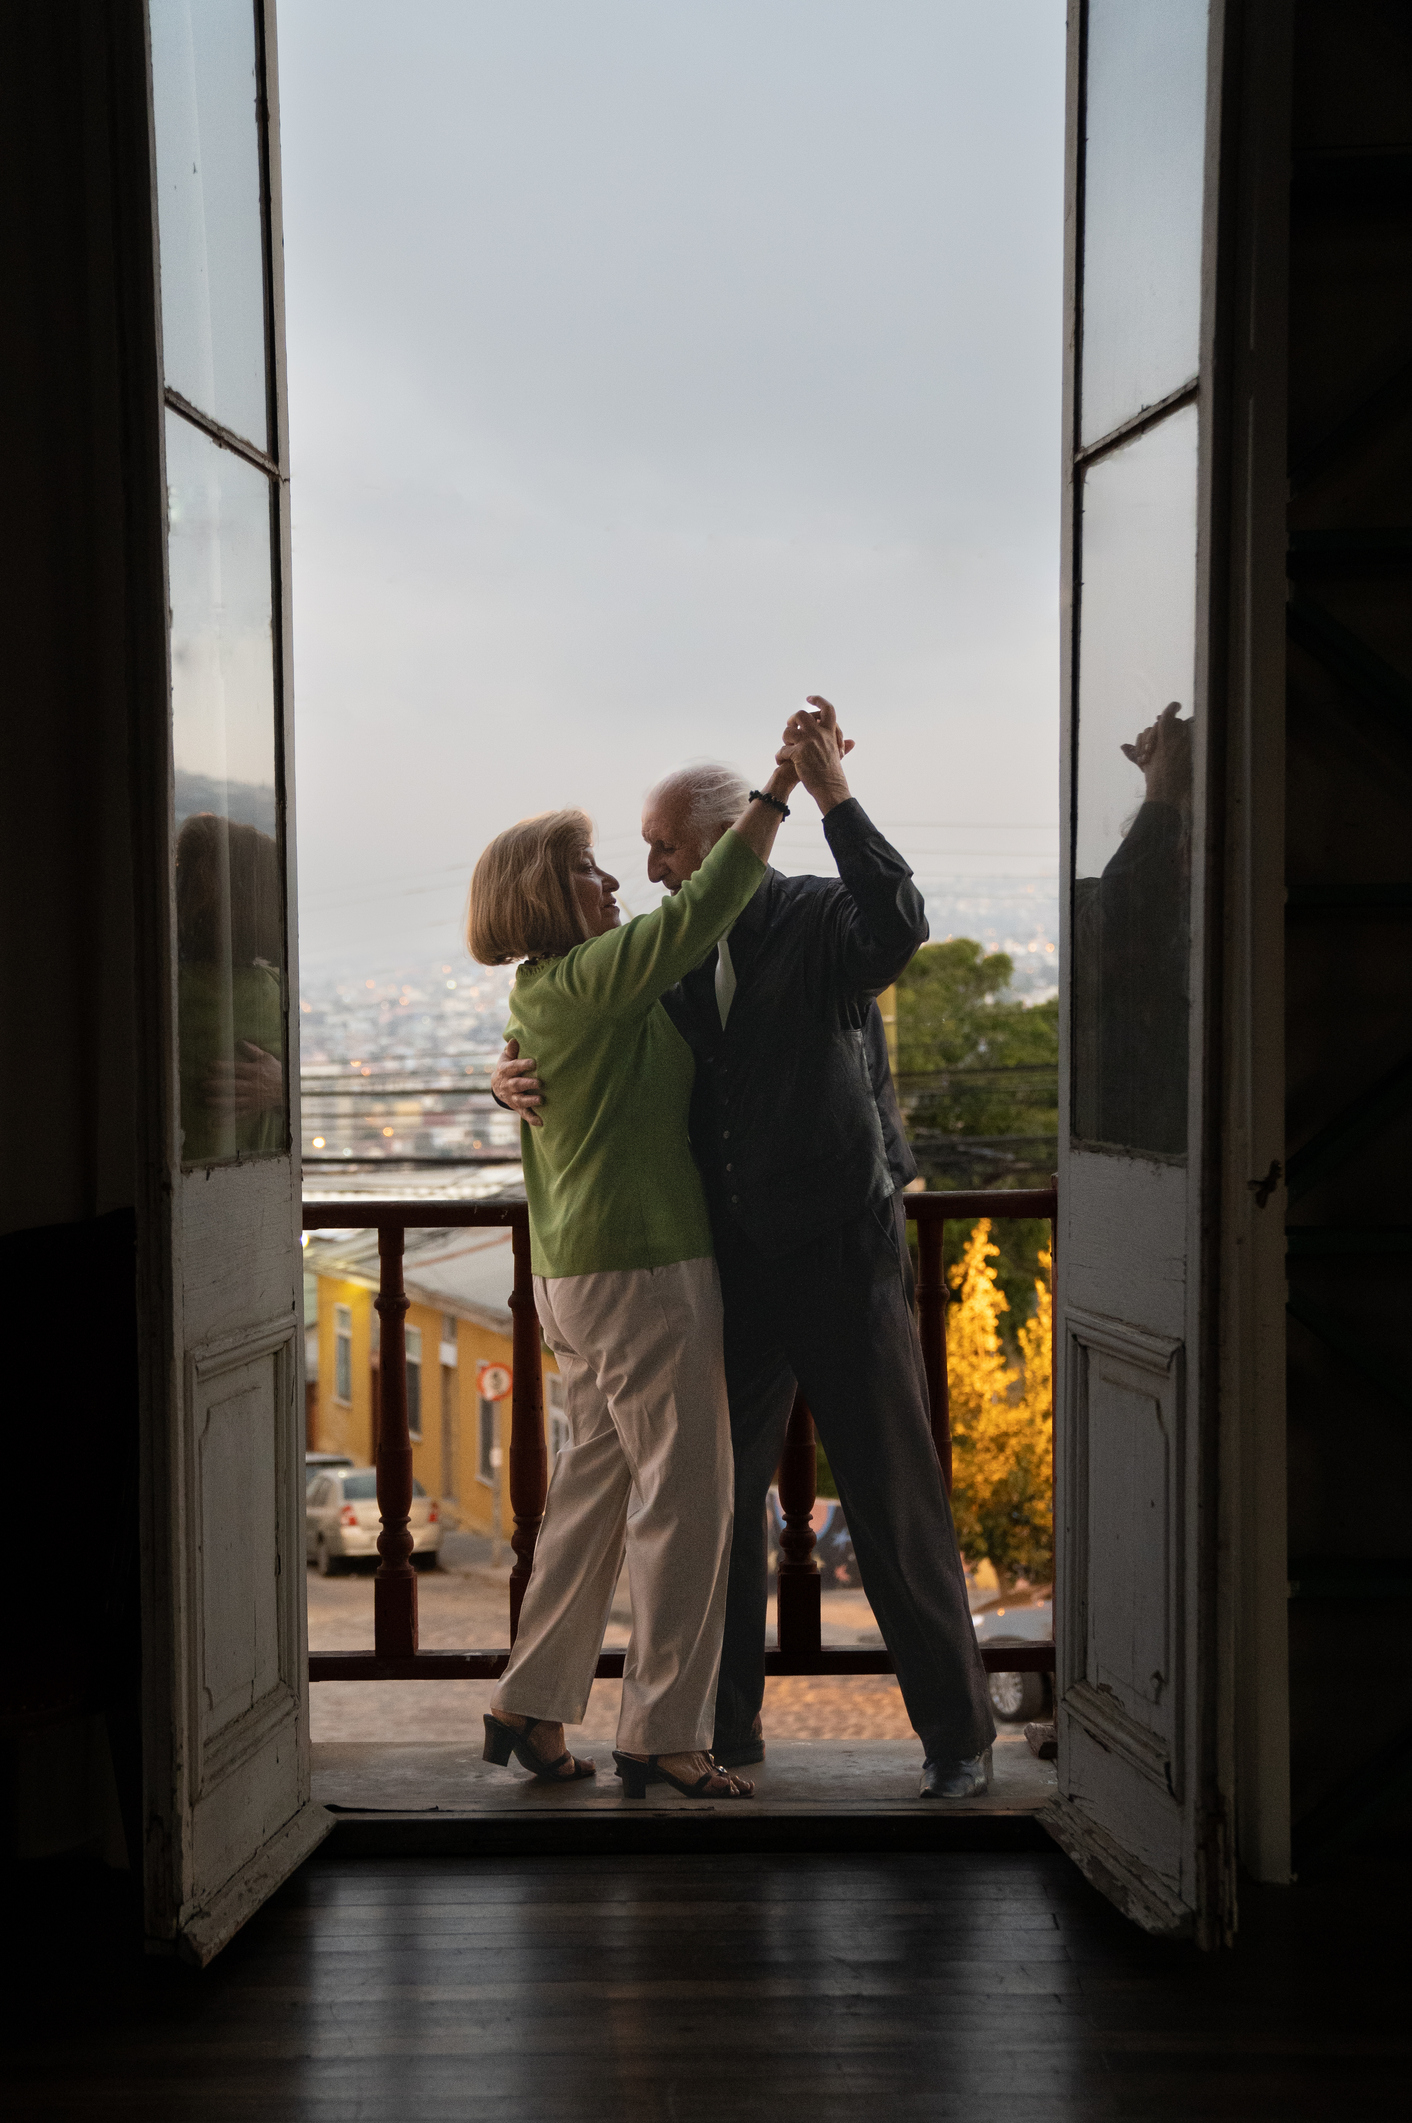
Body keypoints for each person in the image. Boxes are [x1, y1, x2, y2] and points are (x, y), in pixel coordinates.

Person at [496, 700, 996, 1799]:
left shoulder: (818, 918)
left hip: (838, 1246)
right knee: (713, 1503)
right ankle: (715, 1730)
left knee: (889, 1488)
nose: (650, 864)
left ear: (723, 837)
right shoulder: (653, 956)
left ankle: (957, 1739)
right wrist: (508, 1070)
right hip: (721, 1263)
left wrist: (830, 797)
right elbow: (571, 1035)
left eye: (665, 843)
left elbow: (899, 922)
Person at [469, 729, 825, 1801]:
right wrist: (776, 788)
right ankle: (662, 1728)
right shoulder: (592, 981)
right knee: (691, 1497)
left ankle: (528, 1704)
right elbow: (704, 906)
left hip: (572, 1276)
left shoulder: (545, 992)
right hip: (645, 1270)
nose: (614, 875)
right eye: (587, 866)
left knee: (591, 1490)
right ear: (548, 894)